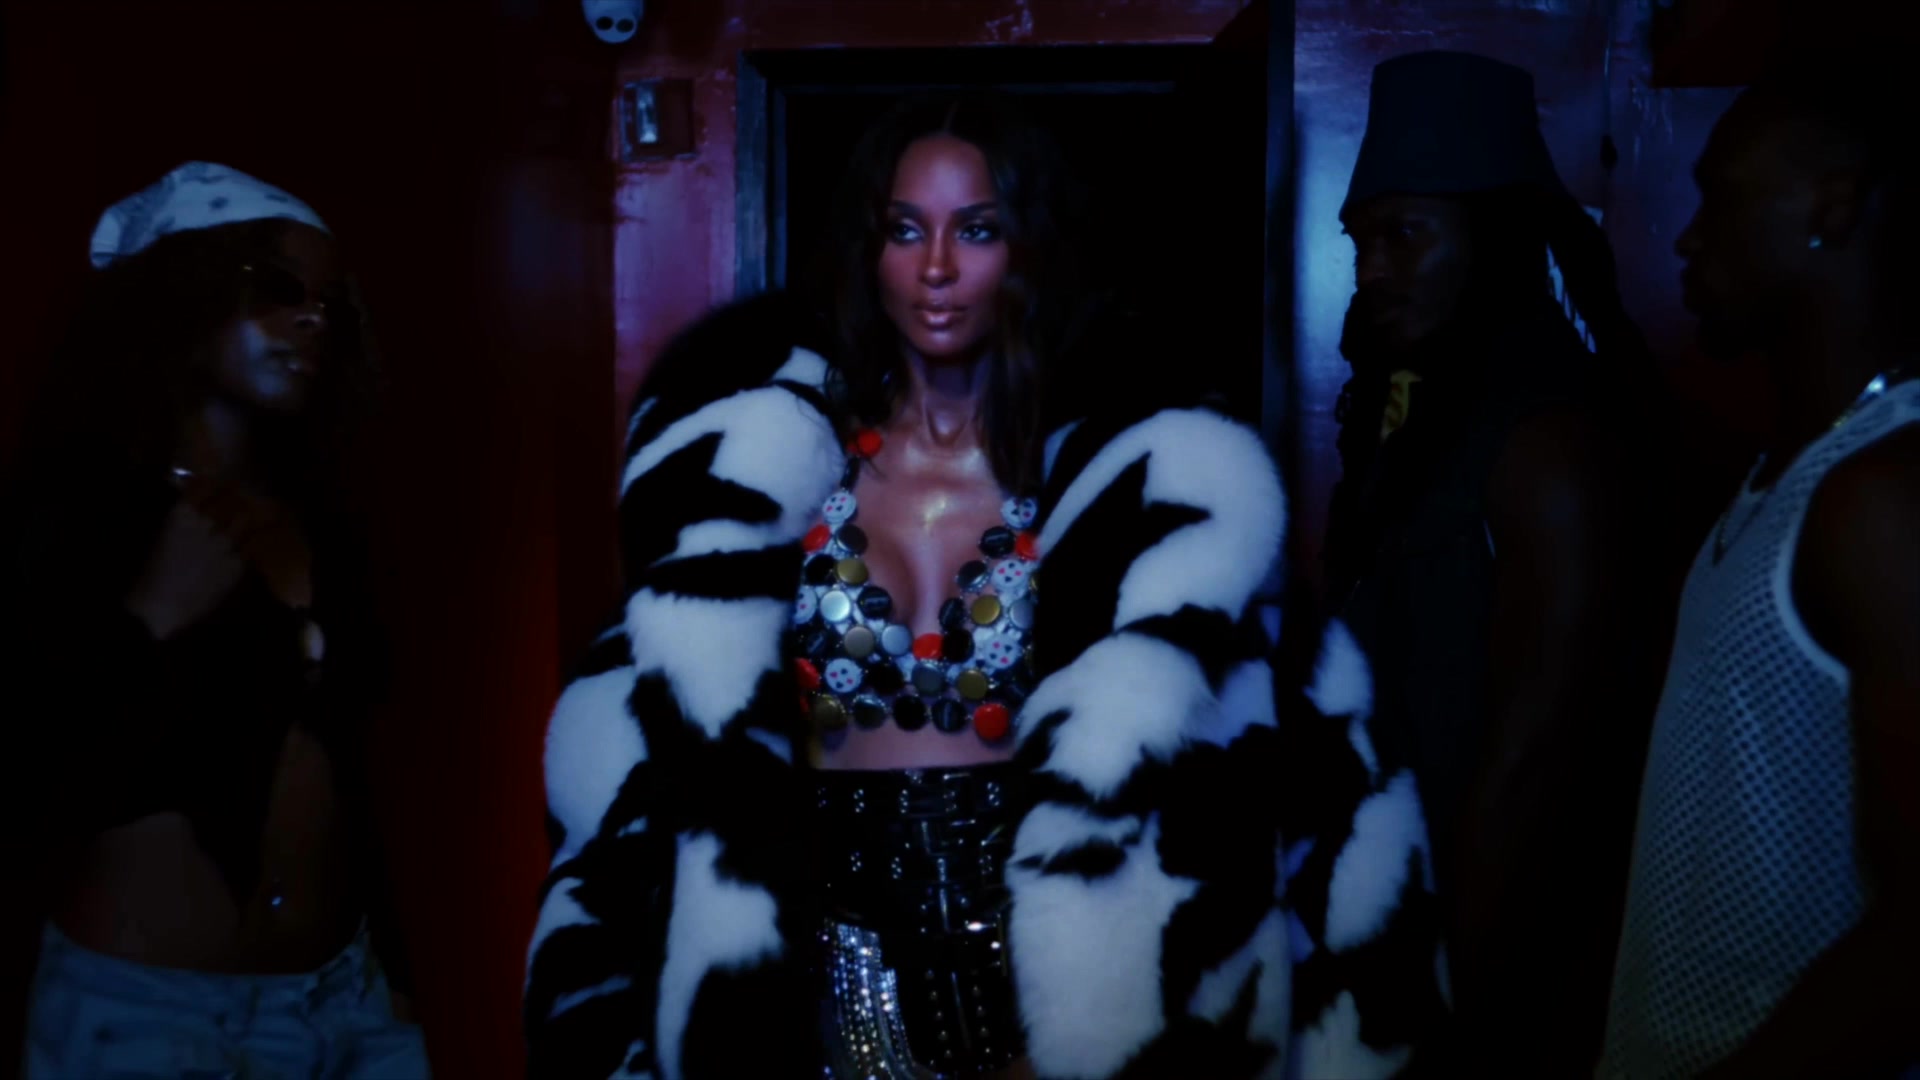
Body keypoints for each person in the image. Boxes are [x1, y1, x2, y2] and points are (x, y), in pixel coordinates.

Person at [523, 93, 1411, 1080]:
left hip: (1056, 998)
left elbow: (1276, 766)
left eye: (976, 230)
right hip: (827, 1002)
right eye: (906, 229)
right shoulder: (767, 481)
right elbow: (650, 764)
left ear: (1028, 246)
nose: (937, 268)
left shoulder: (1114, 488)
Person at [2, 163, 428, 1078]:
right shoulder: (75, 514)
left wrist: (394, 977)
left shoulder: (322, 518)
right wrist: (151, 616)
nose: (312, 319)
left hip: (343, 1006)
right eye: (278, 287)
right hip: (146, 1022)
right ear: (182, 294)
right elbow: (29, 764)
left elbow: (350, 772)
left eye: (328, 302)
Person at [1320, 51, 1662, 1073]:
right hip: (1396, 943)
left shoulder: (1549, 442)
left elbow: (1531, 771)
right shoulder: (1422, 417)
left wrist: (1445, 1022)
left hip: (1496, 991)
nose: (1372, 269)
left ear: (1497, 242)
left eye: (1405, 235)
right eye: (1361, 240)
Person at [1599, 53, 1920, 1080]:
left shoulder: (1884, 497)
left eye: (1721, 196)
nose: (1690, 236)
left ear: (1833, 205)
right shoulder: (1788, 469)